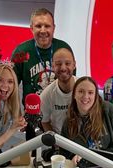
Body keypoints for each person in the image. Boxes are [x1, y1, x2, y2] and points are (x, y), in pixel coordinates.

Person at [11, 8, 75, 142]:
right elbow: (11, 87)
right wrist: (17, 114)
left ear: (54, 28)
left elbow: (72, 84)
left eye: (47, 26)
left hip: (61, 117)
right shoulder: (21, 52)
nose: (43, 30)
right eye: (38, 26)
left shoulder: (63, 48)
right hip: (33, 118)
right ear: (31, 28)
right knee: (35, 159)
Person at [60, 76, 113, 165]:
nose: (85, 96)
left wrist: (104, 157)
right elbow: (64, 152)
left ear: (96, 96)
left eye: (90, 93)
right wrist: (73, 157)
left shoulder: (108, 110)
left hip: (110, 166)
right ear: (74, 95)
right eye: (81, 92)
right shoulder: (68, 122)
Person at [40, 47, 77, 134]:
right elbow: (45, 122)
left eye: (67, 63)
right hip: (59, 142)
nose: (63, 68)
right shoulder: (46, 95)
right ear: (52, 67)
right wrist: (56, 143)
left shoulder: (84, 88)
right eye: (58, 64)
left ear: (74, 65)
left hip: (81, 143)